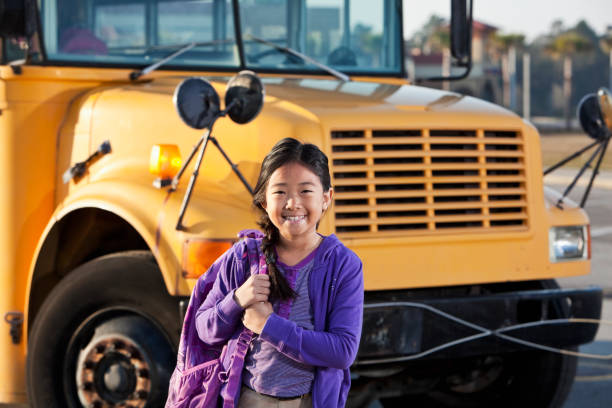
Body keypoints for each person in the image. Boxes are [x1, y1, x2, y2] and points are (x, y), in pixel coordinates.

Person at [194, 137, 364, 407]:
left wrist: (268, 325)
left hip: (308, 401)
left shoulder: (343, 264)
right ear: (263, 201)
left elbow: (342, 351)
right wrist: (236, 299)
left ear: (326, 198)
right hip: (247, 400)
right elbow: (203, 330)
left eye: (306, 191)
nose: (292, 203)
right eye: (280, 191)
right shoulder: (243, 257)